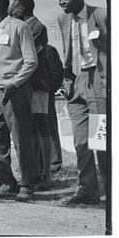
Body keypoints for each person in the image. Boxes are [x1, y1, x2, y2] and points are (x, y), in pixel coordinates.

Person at [56, 0, 108, 205]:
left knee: (100, 139)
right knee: (80, 141)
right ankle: (87, 191)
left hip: (97, 79)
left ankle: (111, 190)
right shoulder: (62, 20)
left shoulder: (102, 15)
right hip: (75, 82)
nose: (61, 3)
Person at [0, 0, 37, 202]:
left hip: (14, 91)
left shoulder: (19, 27)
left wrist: (14, 84)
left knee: (20, 139)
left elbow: (31, 61)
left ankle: (27, 184)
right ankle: (7, 183)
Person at [10, 0, 54, 190]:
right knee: (30, 129)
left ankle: (47, 174)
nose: (10, 9)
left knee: (41, 126)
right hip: (24, 85)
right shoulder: (21, 27)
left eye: (13, 6)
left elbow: (22, 54)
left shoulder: (37, 28)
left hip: (37, 85)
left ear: (21, 9)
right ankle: (34, 172)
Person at [45, 44, 64, 175]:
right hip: (28, 95)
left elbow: (58, 73)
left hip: (45, 95)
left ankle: (54, 164)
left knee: (49, 127)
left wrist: (49, 89)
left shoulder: (49, 50)